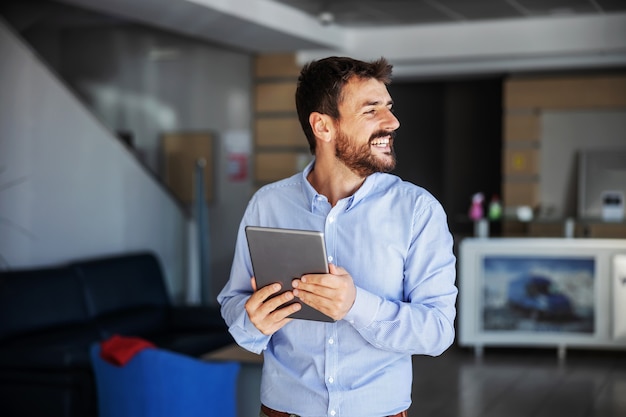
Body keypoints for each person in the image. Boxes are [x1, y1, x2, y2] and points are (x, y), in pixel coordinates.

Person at [218, 56, 457, 417]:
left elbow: (438, 331)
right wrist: (252, 322)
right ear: (323, 127)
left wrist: (355, 305)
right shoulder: (267, 204)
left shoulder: (418, 211)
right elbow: (233, 300)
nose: (392, 122)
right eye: (370, 110)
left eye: (388, 108)